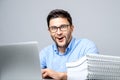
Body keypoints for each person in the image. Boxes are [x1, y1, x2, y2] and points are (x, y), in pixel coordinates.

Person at [39, 9, 99, 80]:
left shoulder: (87, 46)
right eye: (54, 28)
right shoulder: (45, 53)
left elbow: (94, 75)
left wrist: (62, 76)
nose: (59, 32)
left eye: (63, 27)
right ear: (49, 31)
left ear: (72, 28)